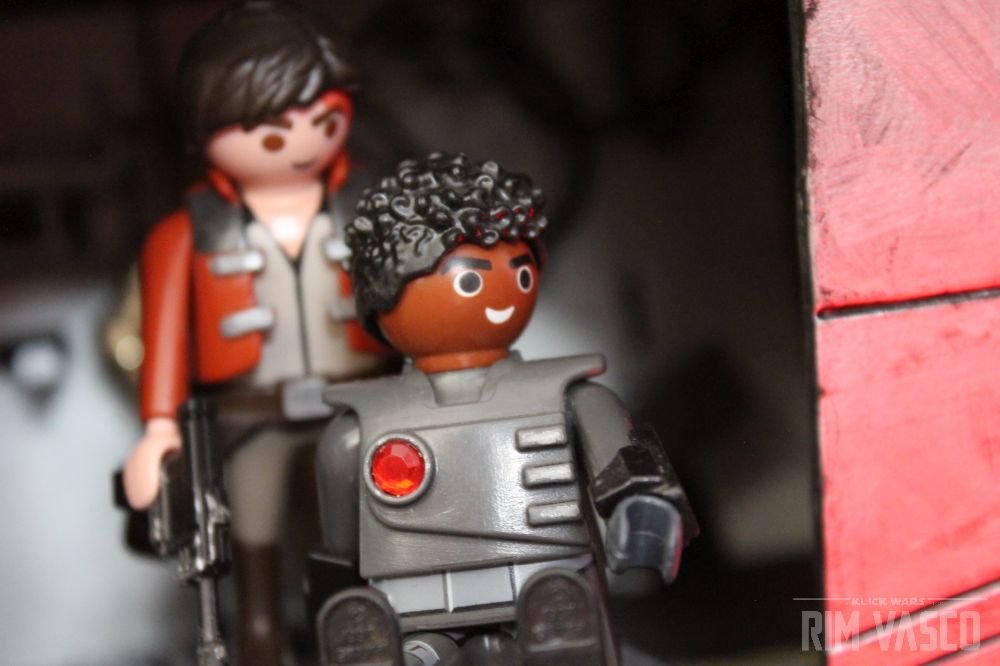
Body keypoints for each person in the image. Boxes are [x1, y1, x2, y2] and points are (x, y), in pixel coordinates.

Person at [314, 153, 697, 665]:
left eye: (521, 275)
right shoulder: (359, 426)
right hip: (416, 601)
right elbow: (340, 547)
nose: (500, 297)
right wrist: (340, 592)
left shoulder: (568, 395)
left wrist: (643, 509)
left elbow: (629, 467)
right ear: (384, 289)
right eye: (470, 280)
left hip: (547, 589)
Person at [121, 3, 390, 663]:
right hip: (251, 417)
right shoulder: (186, 235)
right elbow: (164, 341)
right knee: (254, 537)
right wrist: (158, 430)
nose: (303, 145)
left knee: (362, 535)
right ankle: (261, 637)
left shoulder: (370, 210)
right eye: (273, 137)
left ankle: (365, 637)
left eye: (325, 121)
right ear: (208, 133)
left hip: (355, 409)